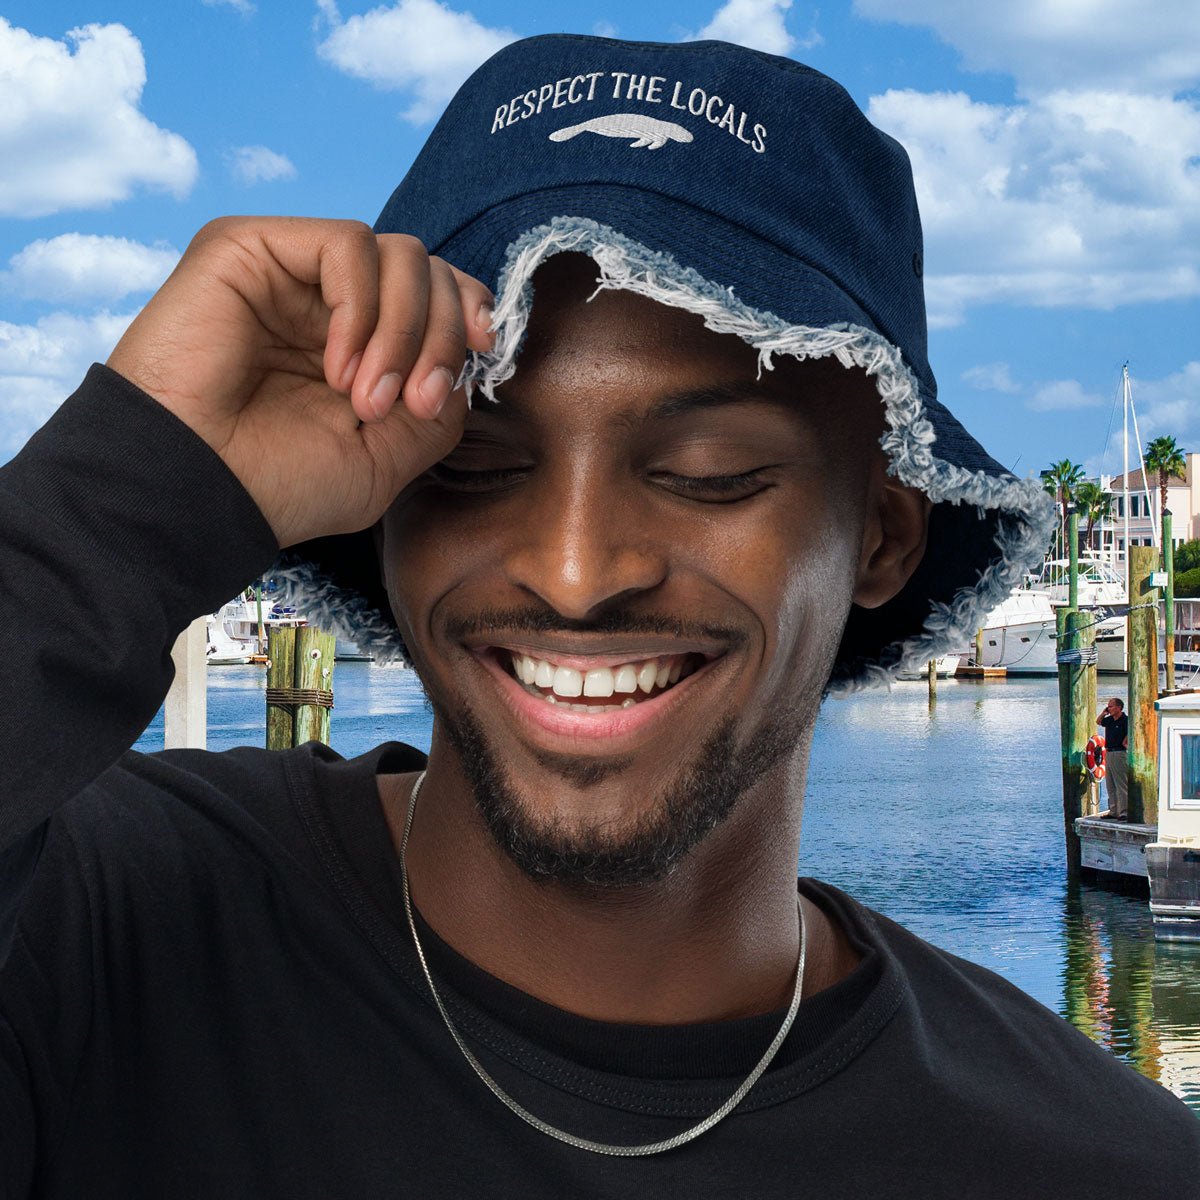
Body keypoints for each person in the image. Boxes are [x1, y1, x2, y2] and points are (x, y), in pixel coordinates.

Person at [1, 34, 1196, 1198]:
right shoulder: (85, 939)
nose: (575, 574)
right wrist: (125, 492)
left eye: (713, 470)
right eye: (469, 465)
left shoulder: (1098, 1164)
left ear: (884, 532)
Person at [1098, 696, 1130, 820]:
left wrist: (1126, 740)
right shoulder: (1109, 720)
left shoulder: (1125, 720)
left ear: (1119, 707)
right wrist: (1104, 712)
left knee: (1121, 783)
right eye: (1108, 706)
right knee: (1110, 784)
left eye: (1111, 706)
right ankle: (1113, 810)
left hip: (1119, 753)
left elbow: (1130, 733)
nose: (1109, 708)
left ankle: (1124, 812)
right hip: (1109, 752)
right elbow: (1099, 721)